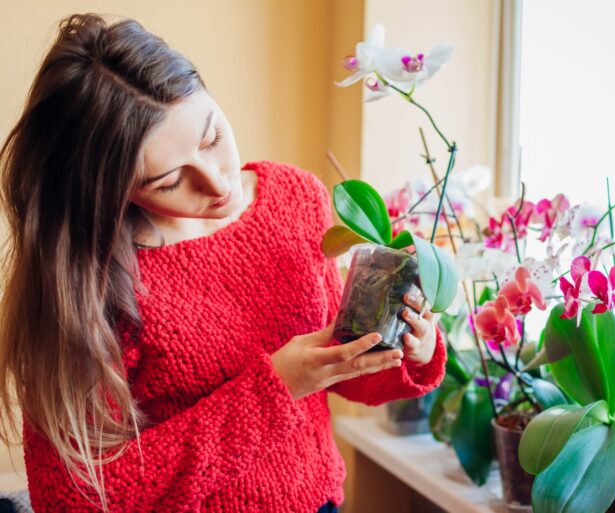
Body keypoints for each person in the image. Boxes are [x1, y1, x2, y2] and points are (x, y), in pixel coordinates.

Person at [0, 13, 446, 513]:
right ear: (107, 191)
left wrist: (412, 347)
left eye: (212, 137)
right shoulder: (88, 283)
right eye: (168, 180)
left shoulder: (297, 197)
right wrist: (275, 388)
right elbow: (74, 499)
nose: (217, 183)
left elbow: (343, 369)